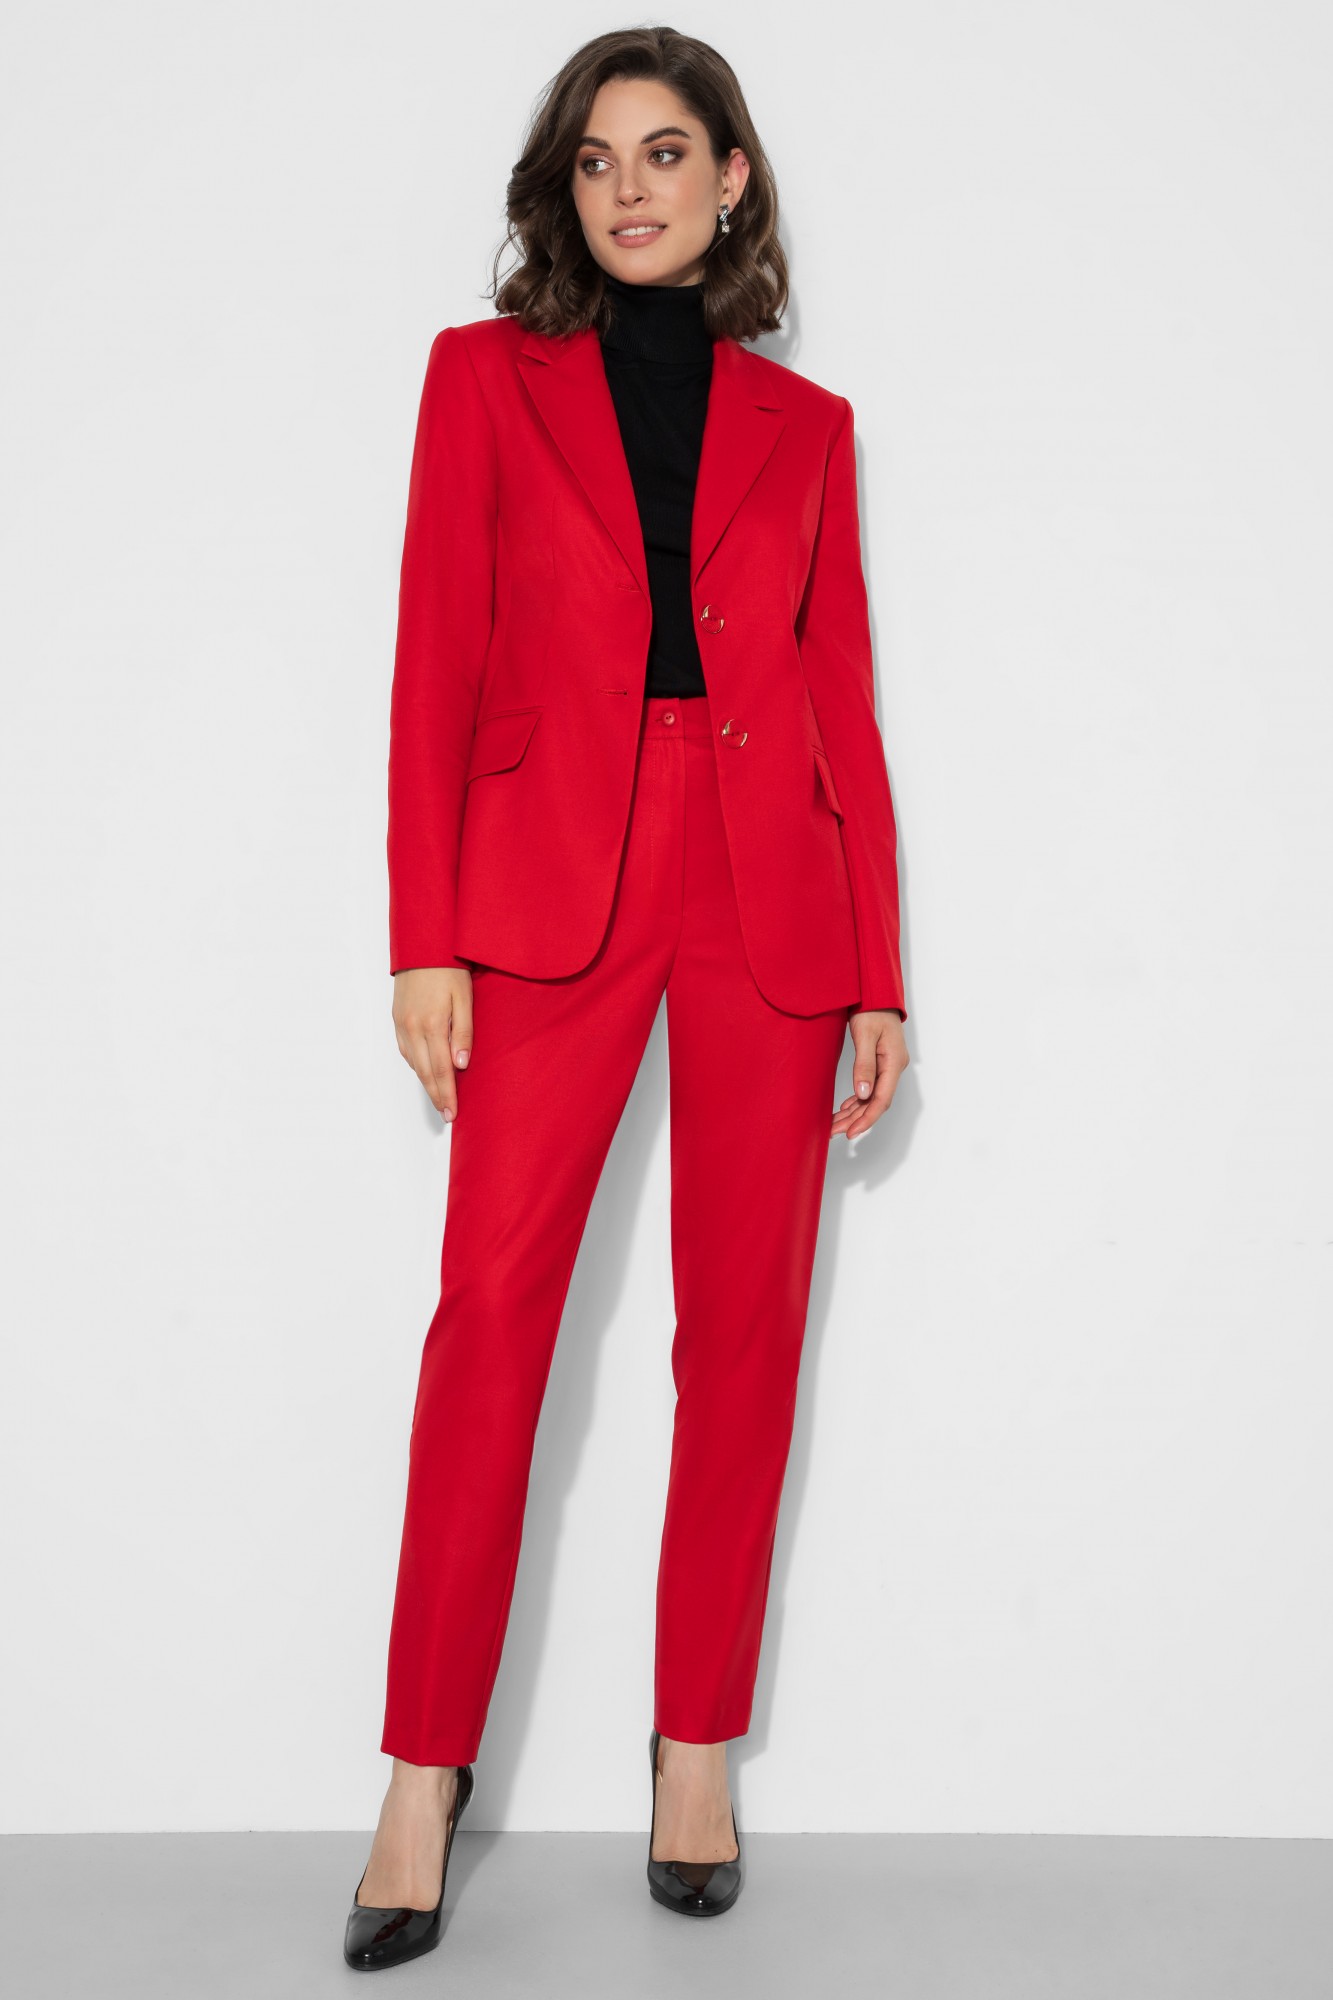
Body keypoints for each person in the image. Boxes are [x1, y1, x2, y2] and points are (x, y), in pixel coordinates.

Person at [343, 24, 910, 1972]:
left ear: (730, 178)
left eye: (667, 153)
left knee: (741, 1330)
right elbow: (433, 654)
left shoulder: (805, 427)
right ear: (564, 191)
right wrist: (423, 932)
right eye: (596, 161)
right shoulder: (480, 380)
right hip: (544, 884)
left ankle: (694, 1747)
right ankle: (420, 1773)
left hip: (767, 887)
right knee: (490, 1320)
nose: (632, 189)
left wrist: (878, 966)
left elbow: (840, 699)